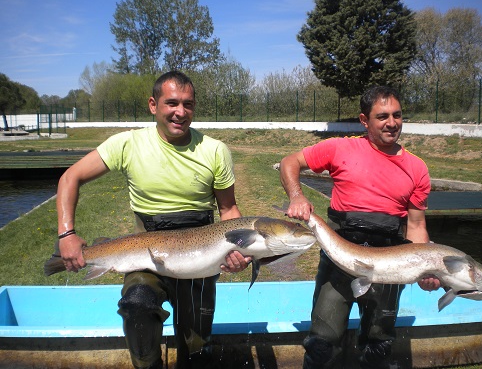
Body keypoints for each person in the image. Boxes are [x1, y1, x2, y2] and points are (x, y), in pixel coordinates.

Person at [55, 71, 251, 369]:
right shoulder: (127, 144)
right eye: (172, 103)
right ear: (153, 105)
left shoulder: (214, 150)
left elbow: (228, 210)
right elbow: (71, 177)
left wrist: (240, 250)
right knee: (137, 305)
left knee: (197, 350)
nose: (180, 112)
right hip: (146, 252)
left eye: (188, 104)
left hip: (200, 253)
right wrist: (66, 234)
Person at [280, 86, 441, 369]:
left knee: (379, 346)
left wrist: (427, 268)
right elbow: (289, 162)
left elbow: (416, 226)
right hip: (340, 258)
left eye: (397, 115)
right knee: (321, 345)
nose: (392, 123)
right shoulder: (339, 148)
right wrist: (297, 196)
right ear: (364, 121)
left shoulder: (417, 168)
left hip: (391, 262)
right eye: (382, 117)